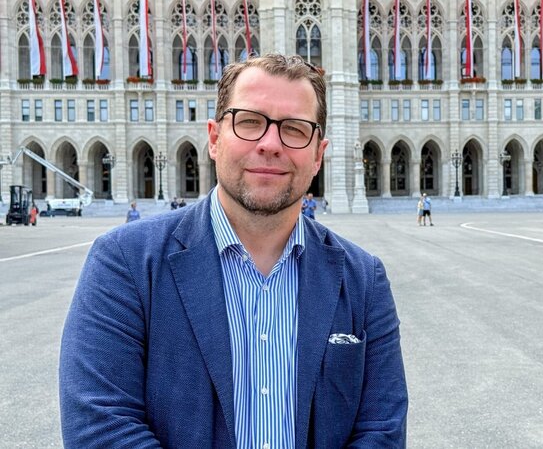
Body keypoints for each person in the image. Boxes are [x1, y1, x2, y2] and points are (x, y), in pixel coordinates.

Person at [59, 54, 408, 448]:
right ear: (214, 139)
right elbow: (99, 427)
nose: (270, 144)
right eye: (249, 122)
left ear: (318, 155)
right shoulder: (124, 263)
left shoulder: (364, 279)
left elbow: (382, 431)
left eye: (294, 129)